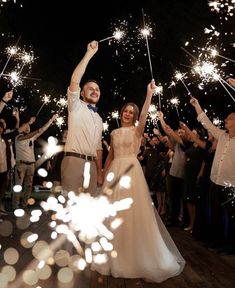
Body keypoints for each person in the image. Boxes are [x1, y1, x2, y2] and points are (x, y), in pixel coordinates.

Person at [91, 80, 185, 283]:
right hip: (115, 172)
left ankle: (137, 254)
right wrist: (102, 175)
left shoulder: (137, 131)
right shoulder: (114, 133)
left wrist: (149, 93)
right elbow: (110, 156)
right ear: (121, 113)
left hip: (132, 173)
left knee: (134, 214)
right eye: (125, 111)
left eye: (131, 112)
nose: (128, 114)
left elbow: (143, 115)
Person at [190, 96, 235, 255]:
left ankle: (230, 246)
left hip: (231, 186)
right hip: (215, 181)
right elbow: (206, 122)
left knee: (231, 217)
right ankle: (217, 241)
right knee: (215, 213)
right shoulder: (221, 135)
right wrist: (197, 105)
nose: (225, 120)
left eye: (229, 118)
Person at [61, 40, 103, 196]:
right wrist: (89, 54)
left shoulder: (99, 119)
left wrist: (99, 171)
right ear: (82, 93)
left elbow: (98, 148)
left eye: (97, 89)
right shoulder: (76, 105)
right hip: (74, 162)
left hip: (92, 165)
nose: (94, 91)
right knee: (70, 211)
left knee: (88, 211)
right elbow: (75, 80)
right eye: (90, 89)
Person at [12, 114, 58, 210]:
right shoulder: (18, 137)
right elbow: (29, 135)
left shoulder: (31, 138)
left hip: (31, 165)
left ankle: (24, 206)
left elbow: (43, 129)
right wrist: (36, 130)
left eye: (29, 126)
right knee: (18, 186)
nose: (28, 127)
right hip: (21, 165)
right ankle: (15, 207)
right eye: (26, 126)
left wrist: (51, 120)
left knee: (28, 187)